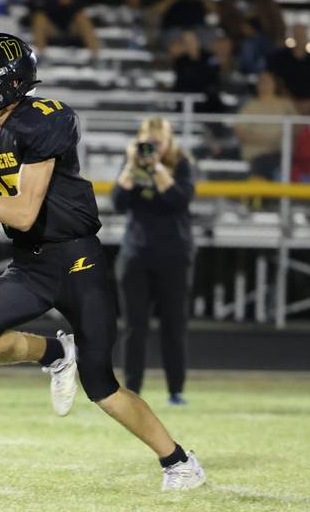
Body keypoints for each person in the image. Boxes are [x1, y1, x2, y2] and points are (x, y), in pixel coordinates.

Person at [0, 33, 205, 490]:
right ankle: (56, 352)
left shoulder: (43, 122)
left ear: (10, 80)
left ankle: (179, 462)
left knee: (102, 387)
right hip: (30, 262)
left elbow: (24, 211)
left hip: (78, 261)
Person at [112, 117, 194, 406]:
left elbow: (179, 200)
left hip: (173, 256)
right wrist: (131, 167)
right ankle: (132, 391)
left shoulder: (181, 164)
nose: (153, 147)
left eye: (159, 142)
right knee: (135, 328)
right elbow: (118, 202)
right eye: (149, 142)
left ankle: (176, 390)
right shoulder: (133, 166)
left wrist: (157, 168)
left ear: (169, 142)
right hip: (136, 255)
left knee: (174, 326)